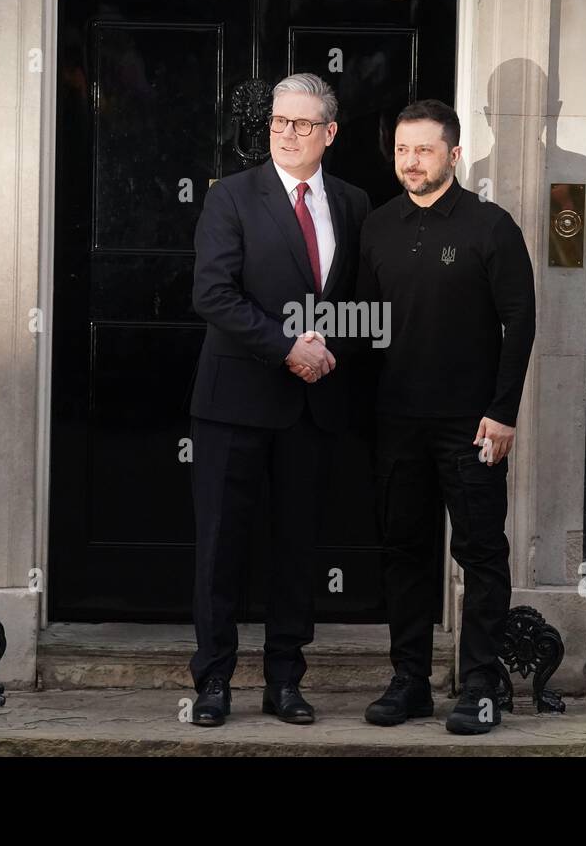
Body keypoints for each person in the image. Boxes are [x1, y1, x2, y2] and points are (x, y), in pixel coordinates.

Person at [188, 74, 371, 727]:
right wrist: (288, 345)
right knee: (220, 548)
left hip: (312, 406)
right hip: (234, 401)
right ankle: (212, 683)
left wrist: (332, 350)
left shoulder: (353, 203)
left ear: (329, 131)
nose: (287, 133)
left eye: (301, 123)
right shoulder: (231, 197)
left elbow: (360, 301)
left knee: (297, 550)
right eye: (278, 122)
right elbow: (212, 294)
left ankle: (285, 681)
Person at [357, 99, 536, 735]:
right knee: (404, 552)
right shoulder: (377, 227)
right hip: (397, 421)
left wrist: (503, 412)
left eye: (424, 150)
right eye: (403, 150)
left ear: (453, 155)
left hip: (473, 426)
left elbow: (521, 322)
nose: (410, 162)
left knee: (482, 552)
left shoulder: (492, 227)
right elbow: (364, 324)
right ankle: (408, 682)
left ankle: (481, 685)